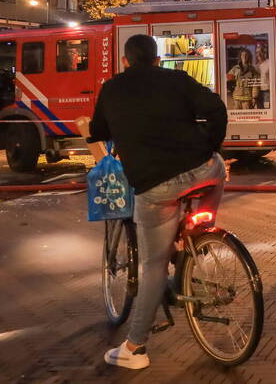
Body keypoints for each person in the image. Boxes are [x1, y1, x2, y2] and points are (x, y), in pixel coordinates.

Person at [89, 34, 227, 370]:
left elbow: (97, 130)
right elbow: (216, 109)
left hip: (155, 186)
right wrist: (210, 145)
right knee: (219, 168)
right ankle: (199, 228)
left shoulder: (111, 88)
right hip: (201, 169)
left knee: (152, 266)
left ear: (125, 60)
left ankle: (135, 348)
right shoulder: (177, 79)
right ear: (156, 59)